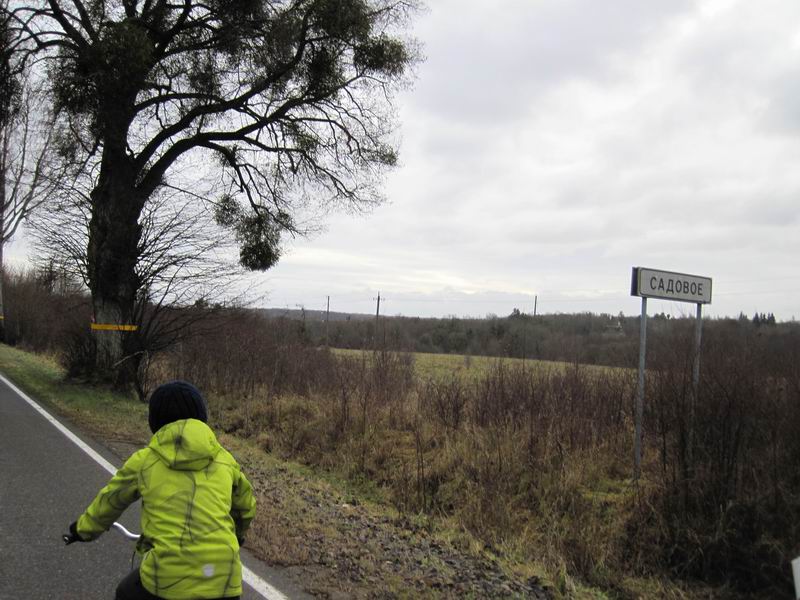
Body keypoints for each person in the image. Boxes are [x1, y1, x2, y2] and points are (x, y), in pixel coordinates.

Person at [64, 381, 256, 600]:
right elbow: (245, 506)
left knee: (125, 592)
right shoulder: (224, 460)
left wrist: (82, 530)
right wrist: (238, 535)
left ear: (154, 422)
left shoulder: (145, 461)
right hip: (225, 580)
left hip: (166, 580)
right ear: (202, 418)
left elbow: (110, 501)